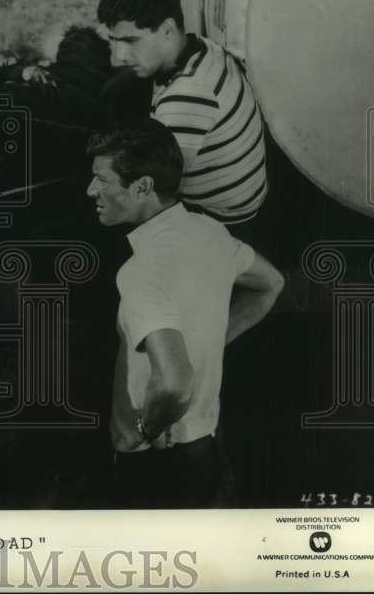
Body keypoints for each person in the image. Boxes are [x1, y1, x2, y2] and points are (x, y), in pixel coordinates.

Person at [86, 120, 284, 508]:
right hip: (203, 447)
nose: (91, 190)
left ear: (142, 186)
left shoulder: (139, 273)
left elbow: (175, 384)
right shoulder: (211, 233)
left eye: (102, 180)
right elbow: (271, 284)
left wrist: (149, 426)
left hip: (151, 460)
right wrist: (209, 342)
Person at [97, 0, 268, 226]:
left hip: (222, 224)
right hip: (241, 198)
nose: (119, 55)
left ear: (167, 29)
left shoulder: (185, 100)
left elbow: (155, 193)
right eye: (114, 40)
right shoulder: (200, 46)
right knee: (119, 88)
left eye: (131, 41)